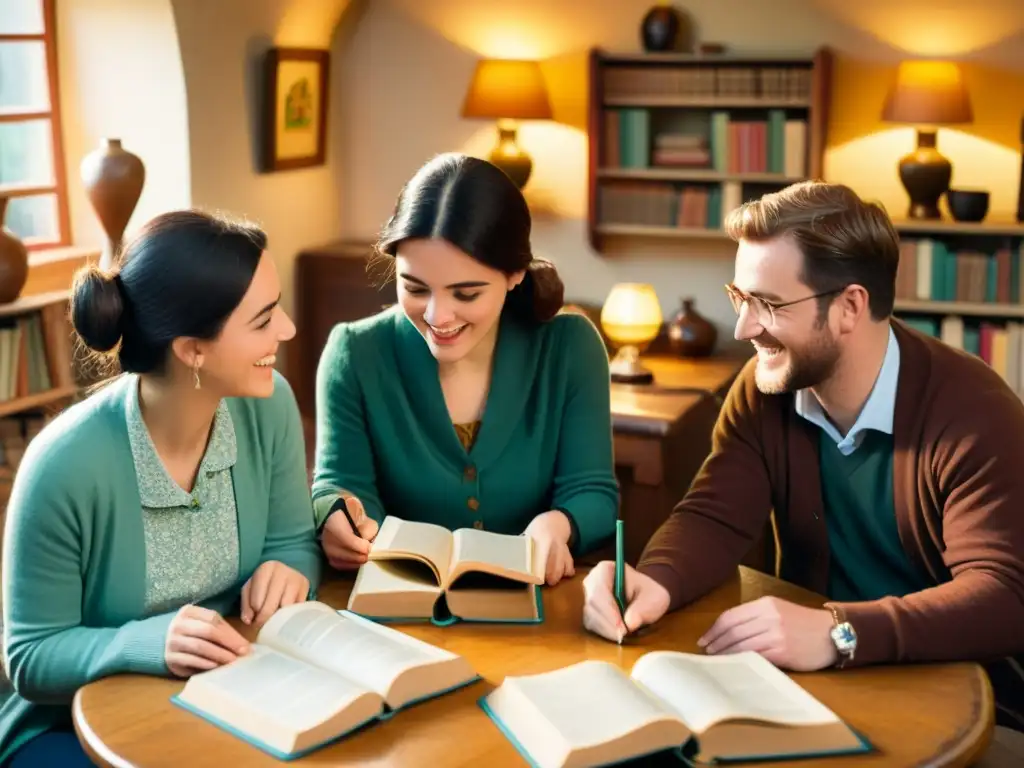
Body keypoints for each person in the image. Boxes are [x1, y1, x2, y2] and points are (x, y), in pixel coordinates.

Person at [582, 181, 1024, 732]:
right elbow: (714, 514)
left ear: (849, 307)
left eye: (767, 304)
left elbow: (1004, 597)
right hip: (808, 691)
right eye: (739, 298)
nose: (743, 328)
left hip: (963, 704)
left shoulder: (974, 412)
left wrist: (841, 631)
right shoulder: (765, 387)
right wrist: (655, 579)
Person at [0, 210, 322, 766]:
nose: (287, 329)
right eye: (264, 319)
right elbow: (29, 656)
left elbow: (293, 540)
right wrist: (138, 643)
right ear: (192, 349)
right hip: (71, 727)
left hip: (234, 696)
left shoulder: (269, 411)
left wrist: (289, 567)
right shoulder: (63, 465)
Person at [313, 153, 618, 584]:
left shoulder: (570, 348)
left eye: (466, 294)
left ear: (515, 274)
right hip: (401, 609)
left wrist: (560, 523)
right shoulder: (355, 353)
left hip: (537, 609)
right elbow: (340, 484)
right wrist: (336, 517)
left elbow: (594, 493)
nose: (438, 316)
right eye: (415, 288)